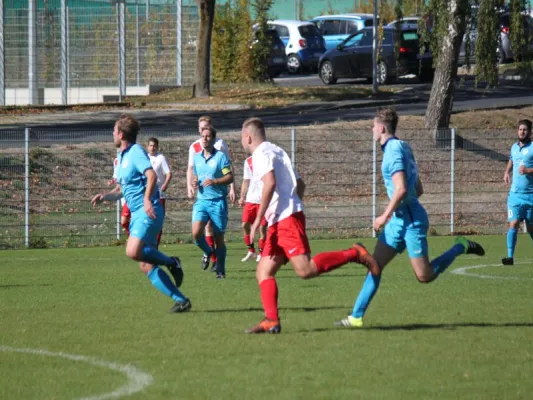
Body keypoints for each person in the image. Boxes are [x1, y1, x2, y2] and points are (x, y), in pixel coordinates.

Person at [335, 107, 485, 328]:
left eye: (373, 125)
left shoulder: (393, 153)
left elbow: (402, 189)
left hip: (411, 221)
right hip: (400, 219)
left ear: (382, 127)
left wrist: (383, 216)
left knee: (424, 276)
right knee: (374, 265)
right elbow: (418, 187)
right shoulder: (403, 146)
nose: (371, 129)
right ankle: (355, 317)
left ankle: (460, 246)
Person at [240, 117, 380, 334]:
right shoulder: (277, 151)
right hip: (282, 220)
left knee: (305, 270)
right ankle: (271, 320)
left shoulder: (260, 155)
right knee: (263, 271)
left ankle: (355, 253)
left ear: (247, 137)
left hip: (285, 220)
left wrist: (260, 218)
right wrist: (291, 207)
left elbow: (270, 183)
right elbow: (300, 183)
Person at [91, 114, 190, 313]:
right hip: (138, 213)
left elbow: (152, 176)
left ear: (121, 134)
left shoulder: (136, 151)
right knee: (145, 265)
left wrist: (146, 200)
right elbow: (121, 191)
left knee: (132, 251)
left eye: (114, 131)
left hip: (148, 210)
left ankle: (172, 262)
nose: (112, 134)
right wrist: (105, 196)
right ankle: (182, 300)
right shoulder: (121, 157)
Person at [187, 115, 236, 271]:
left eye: (207, 134)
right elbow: (193, 170)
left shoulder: (221, 150)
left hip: (217, 199)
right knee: (198, 232)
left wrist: (228, 186)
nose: (204, 137)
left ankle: (219, 265)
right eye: (202, 133)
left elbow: (228, 172)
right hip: (202, 198)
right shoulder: (195, 151)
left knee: (217, 235)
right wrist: (192, 183)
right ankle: (210, 253)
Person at [502, 119, 533, 265]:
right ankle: (509, 257)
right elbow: (511, 160)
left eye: (525, 130)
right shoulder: (514, 147)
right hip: (515, 195)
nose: (522, 132)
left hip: (530, 196)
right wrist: (507, 172)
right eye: (520, 129)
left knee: (531, 228)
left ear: (530, 132)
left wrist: (529, 170)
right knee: (513, 224)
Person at [239, 155, 267, 262]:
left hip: (264, 199)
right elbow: (246, 180)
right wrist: (242, 197)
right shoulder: (248, 161)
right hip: (251, 199)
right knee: (245, 224)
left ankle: (261, 253)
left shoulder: (267, 158)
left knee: (262, 228)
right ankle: (251, 251)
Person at [146, 137, 172, 247]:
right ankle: (146, 244)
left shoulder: (161, 158)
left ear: (157, 147)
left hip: (159, 195)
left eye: (154, 146)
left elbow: (169, 174)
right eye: (150, 145)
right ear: (147, 147)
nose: (152, 148)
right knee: (146, 220)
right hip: (147, 195)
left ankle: (155, 246)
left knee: (158, 221)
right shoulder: (144, 158)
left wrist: (165, 184)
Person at [109, 157, 131, 237]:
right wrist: (112, 181)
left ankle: (136, 240)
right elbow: (116, 179)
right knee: (126, 221)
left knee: (125, 221)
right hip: (123, 196)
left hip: (132, 196)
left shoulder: (132, 157)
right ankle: (135, 240)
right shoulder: (116, 160)